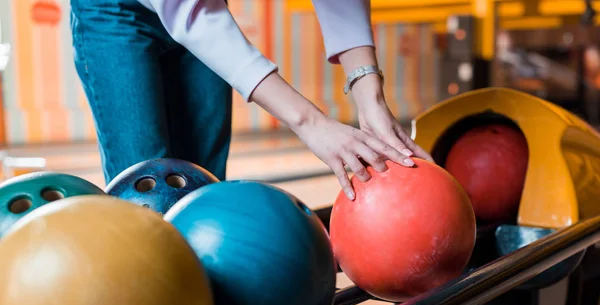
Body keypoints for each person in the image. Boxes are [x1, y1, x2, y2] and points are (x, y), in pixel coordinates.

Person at [70, 0, 432, 200]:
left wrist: (370, 97)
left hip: (203, 7)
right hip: (112, 11)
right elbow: (187, 10)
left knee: (202, 185)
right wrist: (311, 123)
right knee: (147, 187)